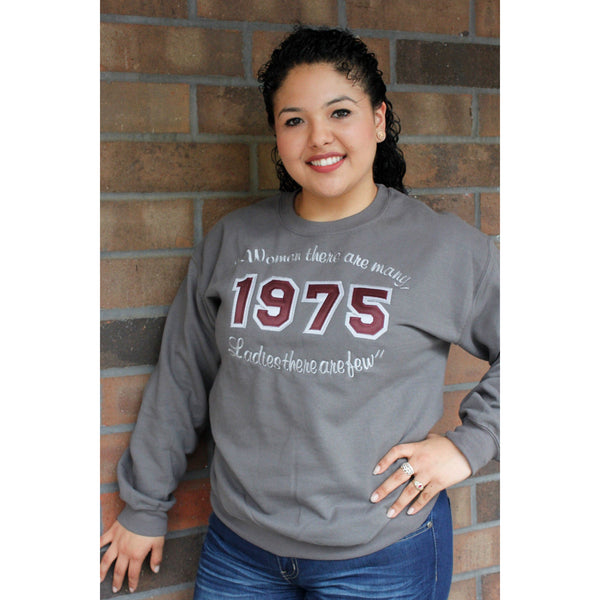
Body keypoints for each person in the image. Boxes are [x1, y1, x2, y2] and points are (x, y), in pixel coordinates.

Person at [100, 26, 499, 600]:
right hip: (240, 553)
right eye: (294, 120)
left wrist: (468, 445)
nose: (319, 137)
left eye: (340, 112)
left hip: (380, 557)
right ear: (277, 137)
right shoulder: (232, 241)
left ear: (379, 121)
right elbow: (182, 378)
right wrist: (143, 507)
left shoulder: (446, 249)